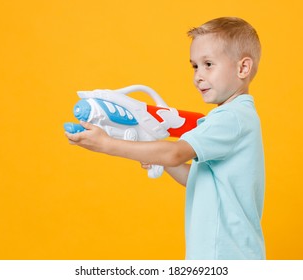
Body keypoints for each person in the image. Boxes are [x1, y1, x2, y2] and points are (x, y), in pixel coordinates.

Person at [65, 17, 265, 260]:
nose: (198, 76)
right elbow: (197, 178)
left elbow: (173, 153)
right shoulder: (230, 118)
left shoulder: (231, 118)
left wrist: (107, 144)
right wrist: (150, 149)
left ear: (242, 68)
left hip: (225, 254)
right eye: (194, 66)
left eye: (208, 64)